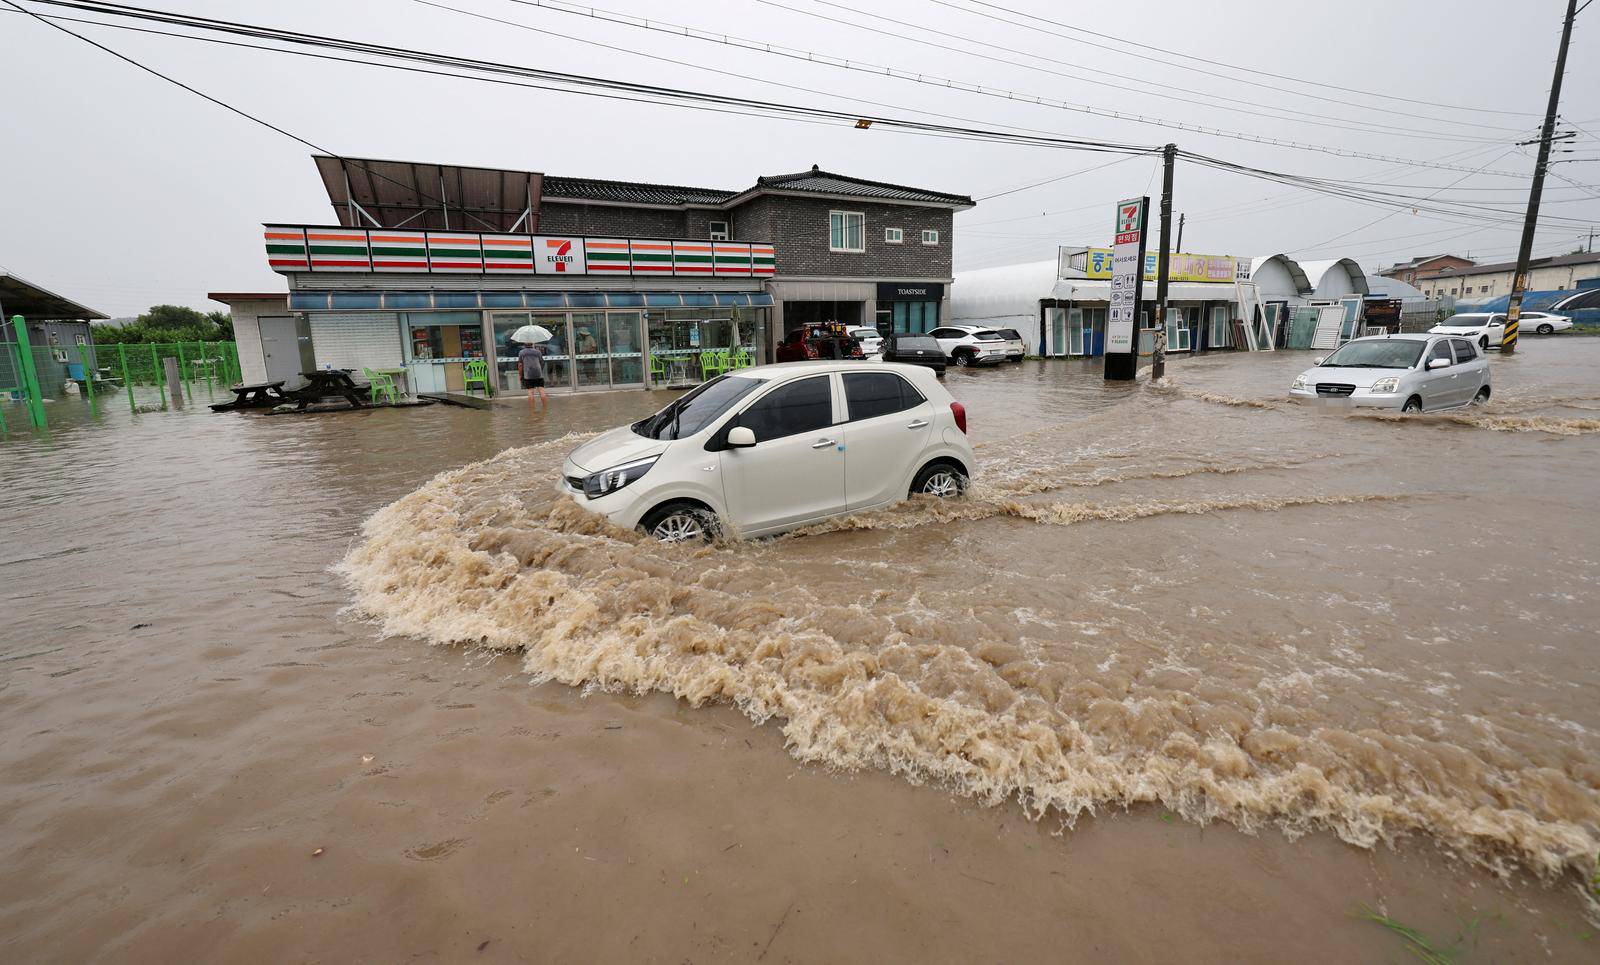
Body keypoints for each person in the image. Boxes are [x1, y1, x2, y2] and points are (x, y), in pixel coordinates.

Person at [517, 340, 548, 406]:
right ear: (532, 344)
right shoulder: (538, 352)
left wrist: (520, 374)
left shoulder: (522, 352)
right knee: (541, 390)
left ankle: (532, 409)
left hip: (528, 374)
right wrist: (540, 370)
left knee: (530, 391)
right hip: (538, 374)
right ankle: (545, 407)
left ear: (524, 344)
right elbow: (542, 362)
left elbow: (520, 365)